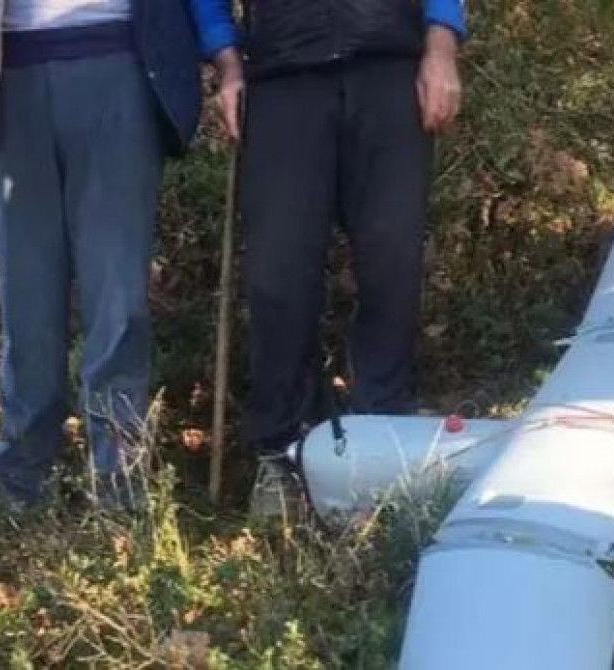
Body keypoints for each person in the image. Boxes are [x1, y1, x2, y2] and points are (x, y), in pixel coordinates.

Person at [0, 0, 239, 509]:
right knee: (25, 299)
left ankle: (120, 485)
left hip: (118, 61)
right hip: (1, 77)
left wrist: (223, 53)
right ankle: (19, 485)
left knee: (118, 297)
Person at [210, 0, 467, 516]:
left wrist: (441, 47)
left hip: (391, 64)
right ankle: (280, 453)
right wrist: (226, 61)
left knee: (392, 257)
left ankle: (382, 440)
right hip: (280, 75)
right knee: (277, 269)